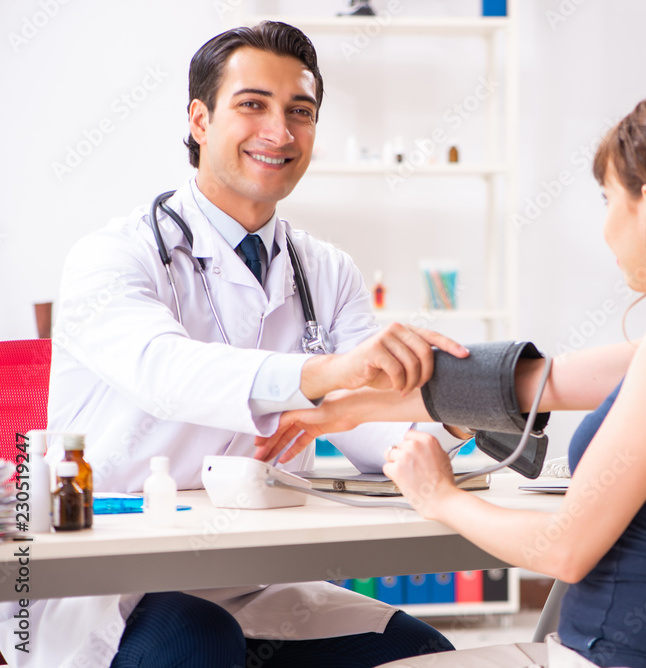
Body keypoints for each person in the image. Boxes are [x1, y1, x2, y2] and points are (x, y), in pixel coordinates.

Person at [255, 83, 646, 667]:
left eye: (606, 200)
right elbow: (534, 382)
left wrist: (437, 495)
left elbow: (565, 550)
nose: (605, 229)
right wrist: (348, 409)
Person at [2, 21, 467, 668]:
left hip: (257, 576)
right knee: (197, 642)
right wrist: (328, 371)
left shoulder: (325, 270)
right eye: (253, 105)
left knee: (423, 654)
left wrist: (455, 408)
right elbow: (167, 372)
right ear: (199, 119)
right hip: (117, 580)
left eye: (299, 112)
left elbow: (372, 431)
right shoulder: (114, 256)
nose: (279, 132)